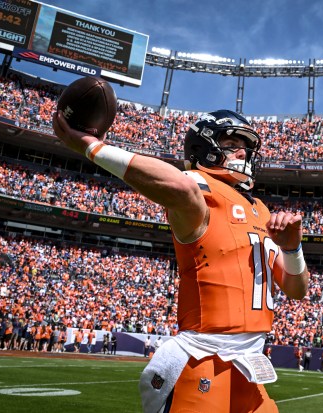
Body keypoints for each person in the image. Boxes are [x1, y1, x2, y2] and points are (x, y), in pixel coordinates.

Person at [53, 108, 309, 413]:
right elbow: (181, 187)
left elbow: (296, 290)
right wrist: (93, 147)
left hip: (250, 363)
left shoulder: (263, 211)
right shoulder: (199, 187)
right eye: (232, 142)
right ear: (205, 148)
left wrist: (293, 249)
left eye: (246, 145)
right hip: (203, 359)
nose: (243, 150)